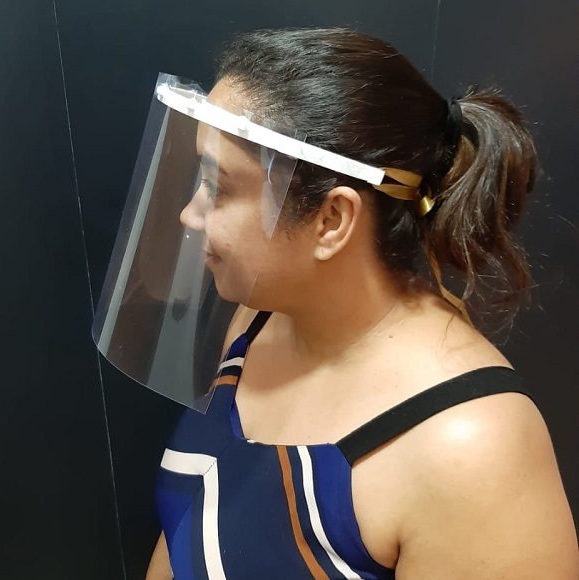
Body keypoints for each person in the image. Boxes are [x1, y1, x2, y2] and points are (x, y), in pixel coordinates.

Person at [145, 28, 578, 579]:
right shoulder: (259, 322)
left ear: (332, 219)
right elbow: (190, 529)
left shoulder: (470, 448)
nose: (189, 214)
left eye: (219, 186)